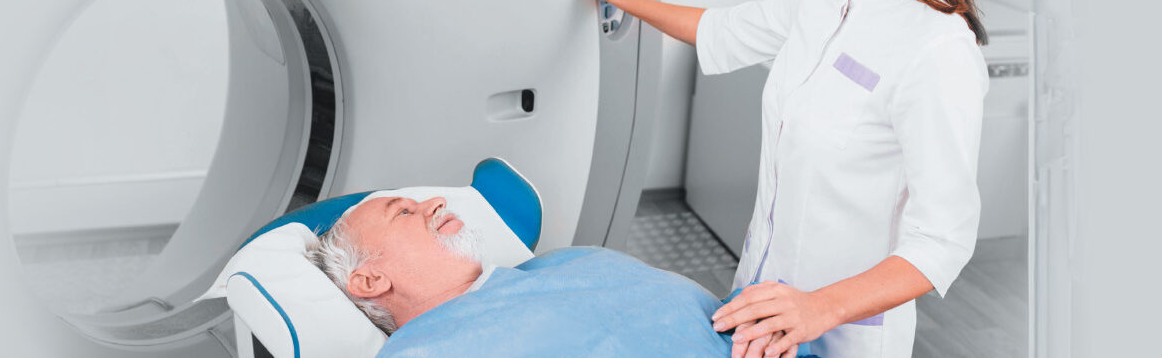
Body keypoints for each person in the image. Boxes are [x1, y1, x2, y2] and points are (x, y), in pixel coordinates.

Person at [570, 0, 986, 357]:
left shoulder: (935, 46)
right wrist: (626, 0)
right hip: (759, 306)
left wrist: (818, 308)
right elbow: (720, 30)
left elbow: (943, 240)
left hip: (843, 333)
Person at [308, 196, 816, 357]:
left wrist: (766, 320)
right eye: (404, 213)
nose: (435, 202)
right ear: (370, 281)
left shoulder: (575, 260)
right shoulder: (424, 351)